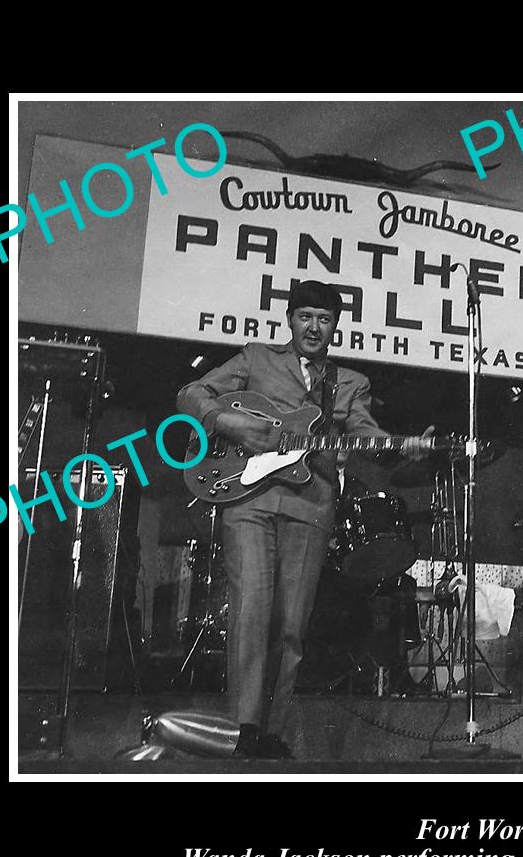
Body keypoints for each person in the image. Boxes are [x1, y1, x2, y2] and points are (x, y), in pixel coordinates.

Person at [177, 280, 432, 759]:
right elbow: (191, 392)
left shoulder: (350, 382)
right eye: (305, 317)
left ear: (335, 326)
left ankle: (271, 732)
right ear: (290, 320)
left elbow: (366, 438)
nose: (314, 327)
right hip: (248, 503)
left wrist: (405, 447)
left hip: (311, 507)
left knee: (291, 625)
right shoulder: (255, 358)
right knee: (252, 610)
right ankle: (243, 729)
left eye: (324, 319)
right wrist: (224, 421)